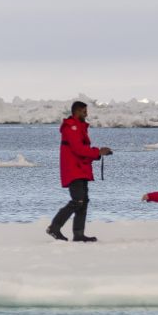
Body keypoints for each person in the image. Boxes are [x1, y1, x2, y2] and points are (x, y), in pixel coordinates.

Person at [47, 101, 113, 242]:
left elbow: (81, 149)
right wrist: (98, 152)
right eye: (84, 111)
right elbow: (78, 149)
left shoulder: (79, 127)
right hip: (74, 169)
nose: (86, 114)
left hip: (80, 169)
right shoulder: (72, 127)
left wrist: (99, 153)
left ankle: (78, 234)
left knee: (83, 201)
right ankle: (54, 227)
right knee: (78, 201)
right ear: (77, 111)